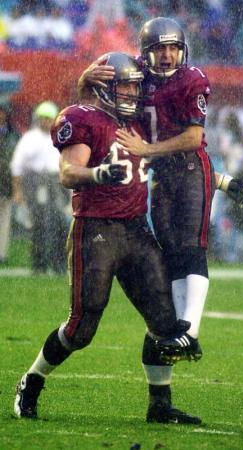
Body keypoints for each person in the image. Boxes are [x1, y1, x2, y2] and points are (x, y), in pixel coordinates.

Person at [14, 52, 202, 425]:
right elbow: (68, 172)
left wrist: (223, 183)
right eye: (125, 86)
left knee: (165, 321)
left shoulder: (143, 124)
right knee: (81, 328)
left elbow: (188, 146)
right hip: (96, 229)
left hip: (136, 230)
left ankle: (160, 404)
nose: (133, 93)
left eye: (135, 85)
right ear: (103, 89)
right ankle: (32, 380)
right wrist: (99, 174)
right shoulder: (83, 118)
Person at [80, 17, 243, 362]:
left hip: (188, 167)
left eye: (174, 48)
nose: (169, 55)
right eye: (161, 49)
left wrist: (148, 152)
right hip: (162, 175)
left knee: (191, 249)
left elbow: (192, 139)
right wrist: (84, 78)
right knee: (172, 254)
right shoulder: (135, 75)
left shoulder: (192, 80)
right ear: (147, 52)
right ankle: (179, 333)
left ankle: (191, 330)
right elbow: (96, 101)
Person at [10, 101, 70, 274]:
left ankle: (59, 265)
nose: (45, 121)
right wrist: (18, 191)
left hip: (58, 184)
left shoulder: (61, 137)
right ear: (38, 119)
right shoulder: (30, 138)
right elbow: (17, 166)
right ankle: (40, 265)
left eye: (49, 118)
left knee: (61, 224)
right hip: (36, 185)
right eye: (43, 118)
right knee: (41, 225)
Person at [0, 101, 20, 264]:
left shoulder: (14, 135)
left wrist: (16, 189)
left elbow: (17, 162)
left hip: (5, 184)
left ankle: (2, 253)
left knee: (5, 221)